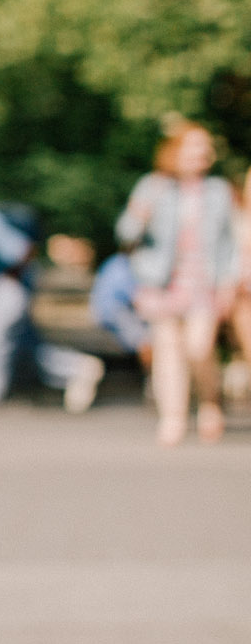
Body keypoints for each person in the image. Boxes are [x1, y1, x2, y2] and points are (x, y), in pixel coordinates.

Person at [0, 190, 105, 426]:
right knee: (26, 348)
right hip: (2, 287)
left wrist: (11, 283)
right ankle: (78, 368)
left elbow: (22, 250)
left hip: (10, 286)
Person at [115, 124, 238, 447]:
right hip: (160, 280)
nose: (203, 153)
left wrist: (227, 283)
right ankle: (174, 417)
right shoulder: (153, 187)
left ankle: (210, 401)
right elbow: (126, 234)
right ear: (176, 151)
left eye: (205, 147)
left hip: (203, 282)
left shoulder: (218, 190)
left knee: (200, 347)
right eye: (195, 146)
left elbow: (229, 243)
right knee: (167, 351)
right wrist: (140, 213)